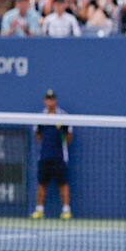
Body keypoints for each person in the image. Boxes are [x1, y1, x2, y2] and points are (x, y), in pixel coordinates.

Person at [33, 89, 73, 220]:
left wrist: (59, 146)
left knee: (63, 183)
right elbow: (38, 136)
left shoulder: (64, 116)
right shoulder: (40, 117)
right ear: (45, 101)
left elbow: (69, 136)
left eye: (52, 99)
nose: (50, 101)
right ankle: (39, 210)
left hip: (60, 157)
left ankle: (66, 210)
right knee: (42, 183)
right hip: (44, 157)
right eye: (48, 99)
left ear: (55, 100)